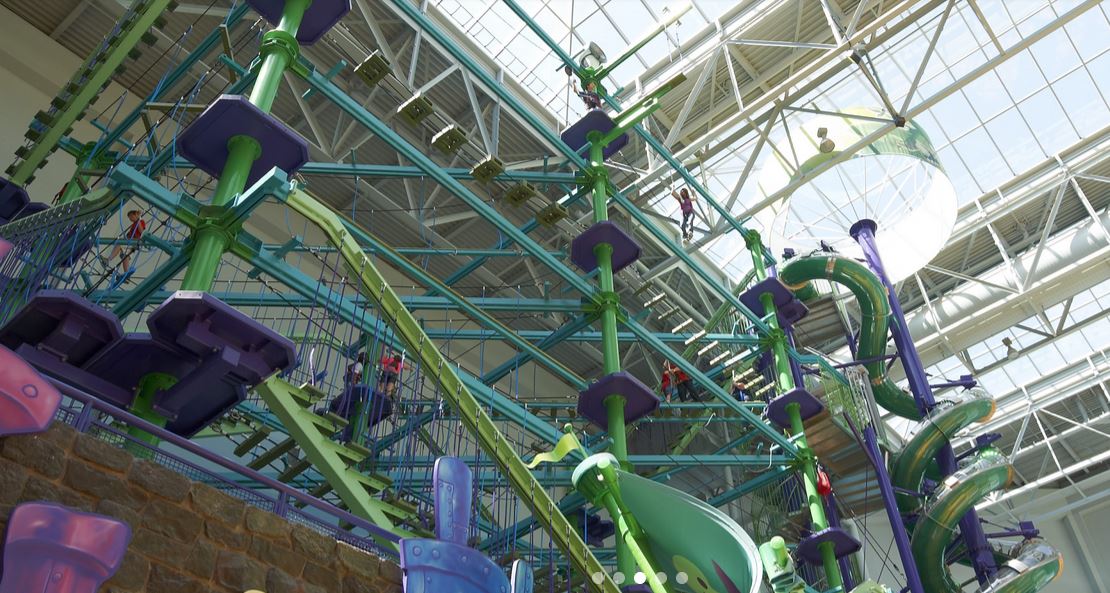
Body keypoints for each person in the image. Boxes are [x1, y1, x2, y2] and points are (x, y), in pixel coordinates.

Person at [104, 210, 145, 274]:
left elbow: (141, 232)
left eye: (131, 217)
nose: (130, 219)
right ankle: (126, 273)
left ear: (135, 215)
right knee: (125, 256)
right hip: (131, 241)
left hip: (133, 241)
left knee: (120, 244)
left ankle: (108, 259)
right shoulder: (135, 223)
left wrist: (139, 218)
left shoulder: (141, 221)